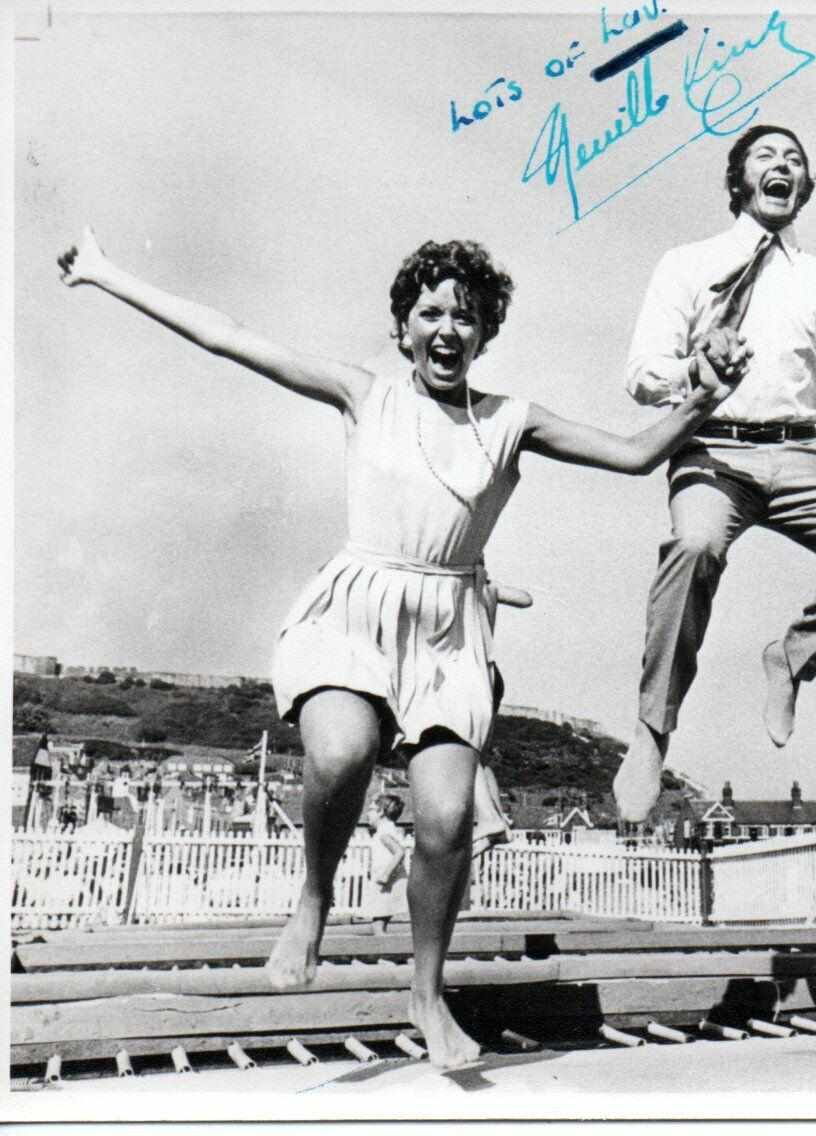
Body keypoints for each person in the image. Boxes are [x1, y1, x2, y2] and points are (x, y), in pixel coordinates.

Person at [57, 228, 746, 1068]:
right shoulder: (365, 394)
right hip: (358, 606)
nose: (447, 328)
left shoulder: (511, 421)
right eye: (430, 313)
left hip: (450, 631)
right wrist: (106, 272)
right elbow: (229, 335)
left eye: (466, 315)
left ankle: (426, 996)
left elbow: (639, 455)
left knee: (448, 819)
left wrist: (705, 394)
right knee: (341, 753)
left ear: (486, 331)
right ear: (403, 329)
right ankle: (312, 900)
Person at [614, 124, 816, 823]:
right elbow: (641, 375)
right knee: (693, 548)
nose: (781, 165)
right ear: (738, 180)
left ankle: (789, 659)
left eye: (794, 159)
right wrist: (696, 365)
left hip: (802, 452)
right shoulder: (686, 264)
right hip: (712, 450)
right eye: (764, 156)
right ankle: (651, 731)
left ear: (803, 187)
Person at [364, 794, 410, 934]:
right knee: (380, 921)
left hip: (386, 882)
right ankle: (383, 948)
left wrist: (386, 874)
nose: (367, 814)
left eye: (371, 810)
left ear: (381, 813)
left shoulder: (384, 832)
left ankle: (382, 950)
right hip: (388, 881)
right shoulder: (387, 829)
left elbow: (399, 852)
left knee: (377, 923)